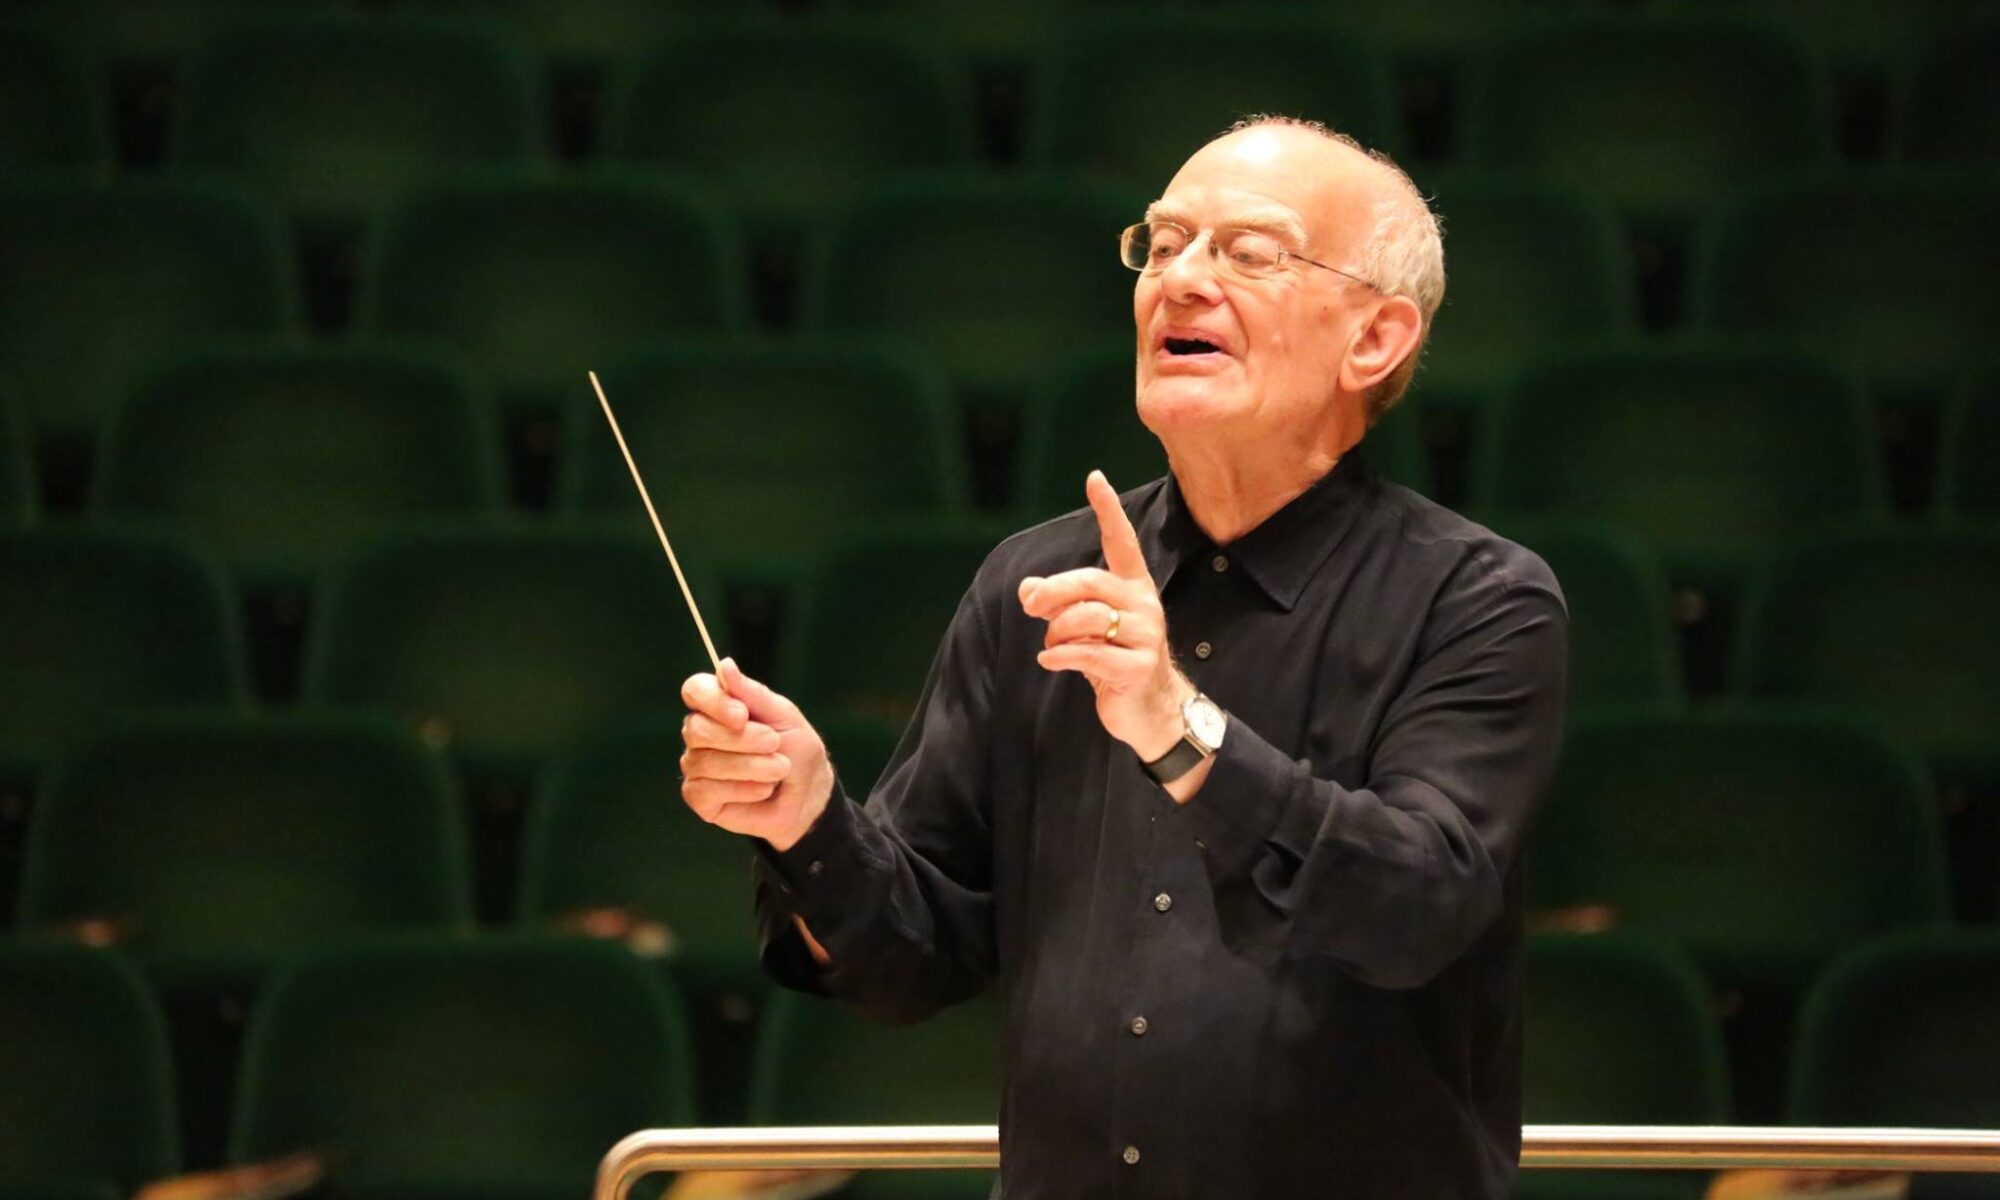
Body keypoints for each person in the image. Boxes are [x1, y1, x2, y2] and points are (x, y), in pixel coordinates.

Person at [678, 115, 1569, 1199]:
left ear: (1372, 340)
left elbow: (1415, 908)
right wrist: (808, 820)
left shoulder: (1476, 598)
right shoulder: (1032, 586)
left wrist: (1180, 731)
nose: (1180, 280)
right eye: (1161, 242)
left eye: (1248, 252)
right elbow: (913, 962)